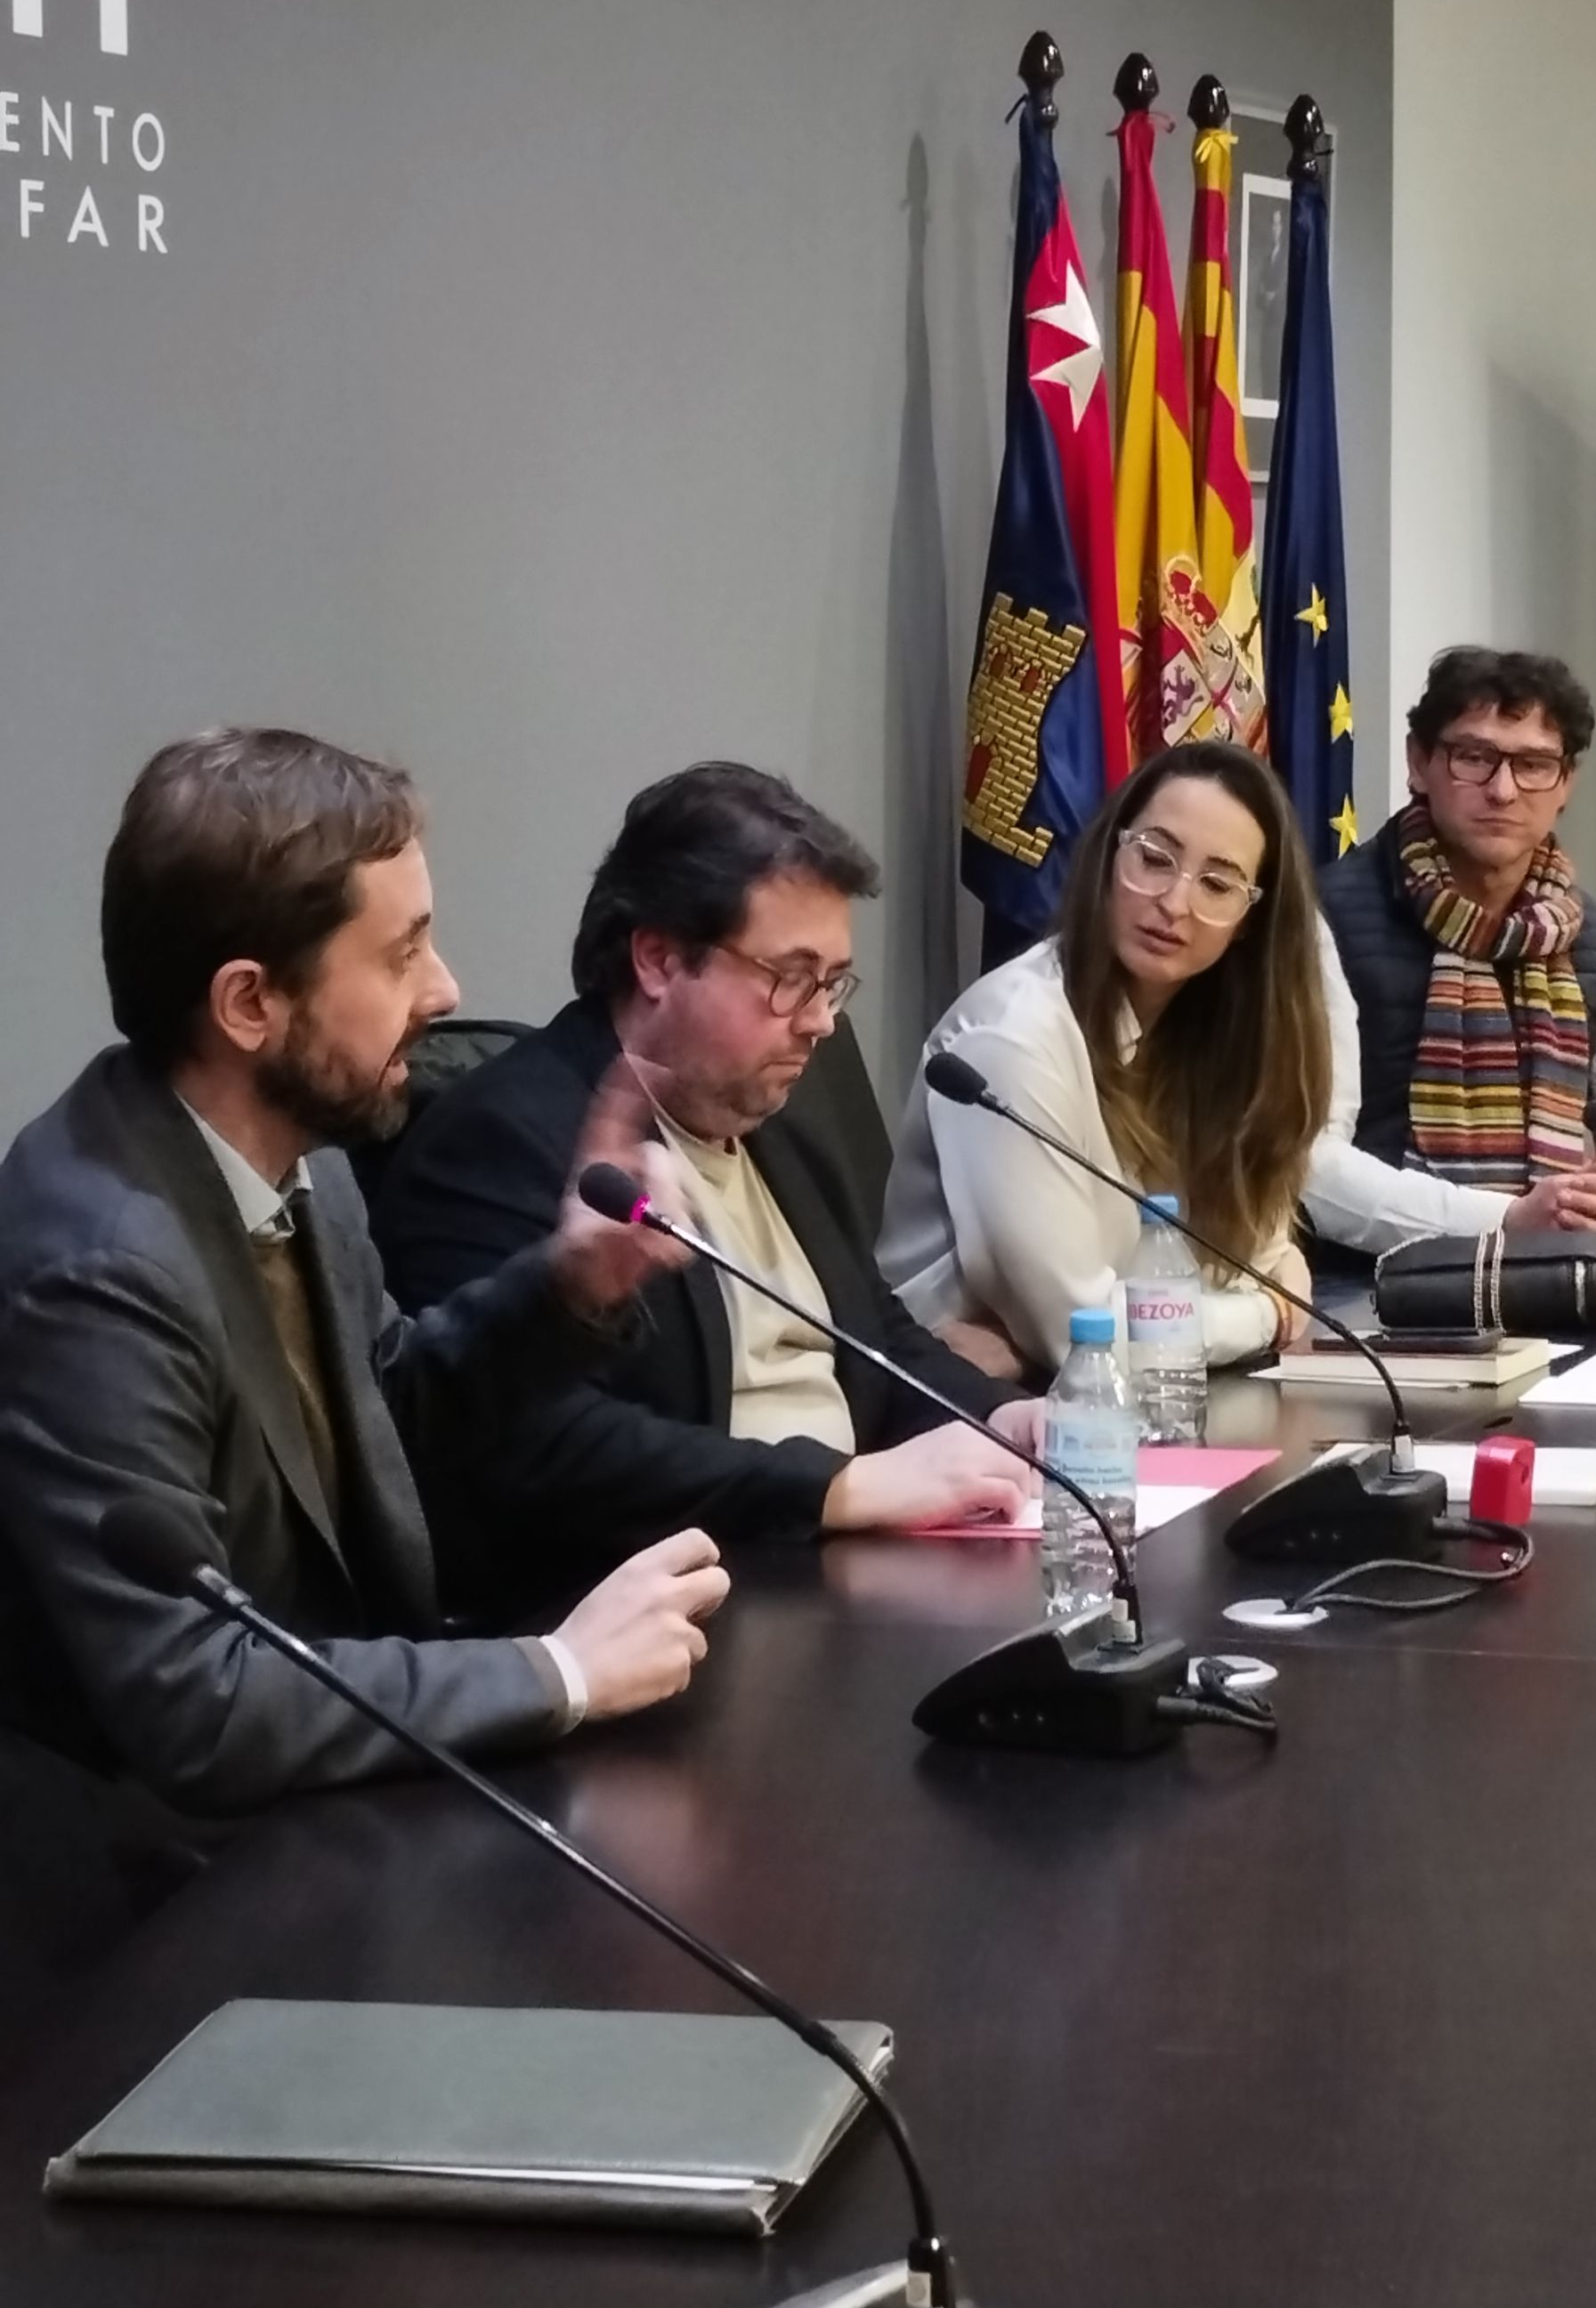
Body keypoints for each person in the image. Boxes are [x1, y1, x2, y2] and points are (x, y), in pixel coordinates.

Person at [0, 730, 734, 1817]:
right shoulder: (98, 1272)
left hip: (336, 1785)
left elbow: (385, 1413)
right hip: (156, 1862)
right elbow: (195, 1700)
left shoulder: (302, 1159)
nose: (445, 989)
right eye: (401, 955)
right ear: (250, 1004)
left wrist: (573, 1283)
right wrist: (560, 1672)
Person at [371, 762, 1040, 1614]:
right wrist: (838, 1490)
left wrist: (997, 1419)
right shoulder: (499, 1141)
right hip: (686, 1599)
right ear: (658, 959)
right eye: (790, 977)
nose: (820, 1020)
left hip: (844, 1569)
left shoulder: (776, 1119)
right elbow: (545, 1446)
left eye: (833, 982)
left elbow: (876, 1333)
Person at [880, 751, 1330, 1377]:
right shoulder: (1014, 1041)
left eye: (1217, 884)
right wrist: (1268, 1317)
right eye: (1155, 858)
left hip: (1121, 1396)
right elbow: (1083, 1335)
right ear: (1110, 856)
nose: (1174, 902)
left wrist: (1246, 1300)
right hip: (965, 1405)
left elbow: (1257, 1259)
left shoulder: (1211, 1041)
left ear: (1252, 921)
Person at [1306, 644, 1596, 1265]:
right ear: (1419, 761)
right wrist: (1505, 1220)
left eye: (1534, 764)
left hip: (1565, 1285)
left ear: (1566, 783)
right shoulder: (1324, 919)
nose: (1503, 790)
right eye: (1475, 757)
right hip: (1361, 1297)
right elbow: (1308, 1164)